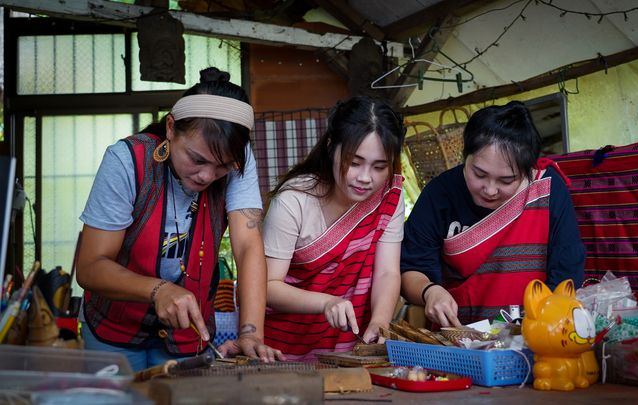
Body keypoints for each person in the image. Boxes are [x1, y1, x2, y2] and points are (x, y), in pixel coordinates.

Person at [77, 67, 284, 371]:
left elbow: (248, 247)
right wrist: (158, 289)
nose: (207, 176)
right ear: (171, 128)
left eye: (222, 167)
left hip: (187, 337)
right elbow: (91, 266)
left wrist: (250, 331)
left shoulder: (240, 161)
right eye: (197, 159)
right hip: (113, 329)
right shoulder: (127, 160)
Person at [400, 101, 585, 327]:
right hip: (461, 337)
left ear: (529, 171)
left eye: (506, 180)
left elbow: (567, 270)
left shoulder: (547, 189)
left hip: (537, 333)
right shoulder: (440, 193)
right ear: (464, 157)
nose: (489, 190)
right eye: (479, 174)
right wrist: (430, 292)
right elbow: (411, 270)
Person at [255, 96, 406, 361]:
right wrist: (326, 302)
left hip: (352, 350)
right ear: (330, 148)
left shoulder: (390, 194)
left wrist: (380, 321)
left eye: (380, 167)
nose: (365, 178)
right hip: (282, 348)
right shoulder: (294, 200)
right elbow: (267, 285)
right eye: (354, 162)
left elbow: (387, 272)